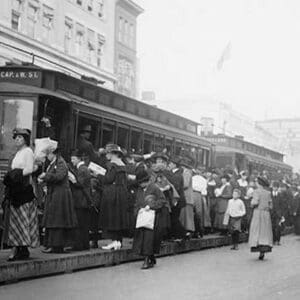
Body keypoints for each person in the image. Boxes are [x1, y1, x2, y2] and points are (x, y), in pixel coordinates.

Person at [3, 128, 39, 261]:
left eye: (20, 138)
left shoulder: (28, 152)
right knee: (15, 220)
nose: (17, 140)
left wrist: (14, 175)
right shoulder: (18, 152)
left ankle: (21, 249)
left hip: (23, 190)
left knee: (22, 220)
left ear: (25, 140)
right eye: (16, 138)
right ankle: (19, 249)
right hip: (16, 189)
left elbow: (29, 169)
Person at [39, 141, 77, 253]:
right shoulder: (55, 163)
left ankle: (56, 245)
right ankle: (52, 244)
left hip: (60, 195)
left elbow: (59, 177)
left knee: (56, 220)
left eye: (48, 154)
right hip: (55, 194)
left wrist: (46, 176)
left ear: (53, 154)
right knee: (53, 219)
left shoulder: (61, 163)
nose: (47, 157)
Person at [133, 170, 169, 269]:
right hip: (142, 217)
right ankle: (150, 257)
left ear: (147, 181)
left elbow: (162, 200)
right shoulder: (140, 190)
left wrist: (151, 206)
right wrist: (137, 211)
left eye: (143, 182)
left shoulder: (154, 188)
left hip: (153, 217)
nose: (141, 185)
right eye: (140, 183)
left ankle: (146, 260)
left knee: (148, 239)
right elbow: (136, 202)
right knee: (143, 238)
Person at [100, 144, 128, 250]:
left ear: (113, 154)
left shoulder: (112, 165)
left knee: (112, 216)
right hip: (121, 192)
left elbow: (108, 179)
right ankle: (118, 241)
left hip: (113, 193)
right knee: (118, 217)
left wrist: (97, 175)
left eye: (108, 153)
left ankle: (114, 241)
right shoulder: (122, 164)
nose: (106, 155)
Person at [70, 149, 92, 251]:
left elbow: (80, 184)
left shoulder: (82, 169)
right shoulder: (84, 168)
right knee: (84, 224)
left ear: (79, 159)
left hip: (81, 200)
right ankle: (84, 244)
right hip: (83, 200)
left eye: (73, 159)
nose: (72, 161)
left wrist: (72, 179)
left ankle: (79, 245)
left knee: (80, 223)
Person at [249, 176, 273, 260]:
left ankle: (258, 247)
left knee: (257, 230)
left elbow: (255, 202)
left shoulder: (256, 192)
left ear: (259, 184)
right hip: (266, 214)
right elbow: (271, 206)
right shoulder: (268, 193)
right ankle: (264, 249)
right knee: (265, 231)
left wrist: (251, 203)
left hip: (258, 213)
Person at [271, 181, 285, 245]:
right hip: (271, 214)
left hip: (278, 214)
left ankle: (278, 240)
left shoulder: (280, 195)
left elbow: (282, 206)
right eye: (274, 187)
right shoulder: (269, 195)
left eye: (276, 187)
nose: (275, 188)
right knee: (272, 227)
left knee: (278, 227)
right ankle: (273, 240)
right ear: (272, 187)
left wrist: (282, 215)